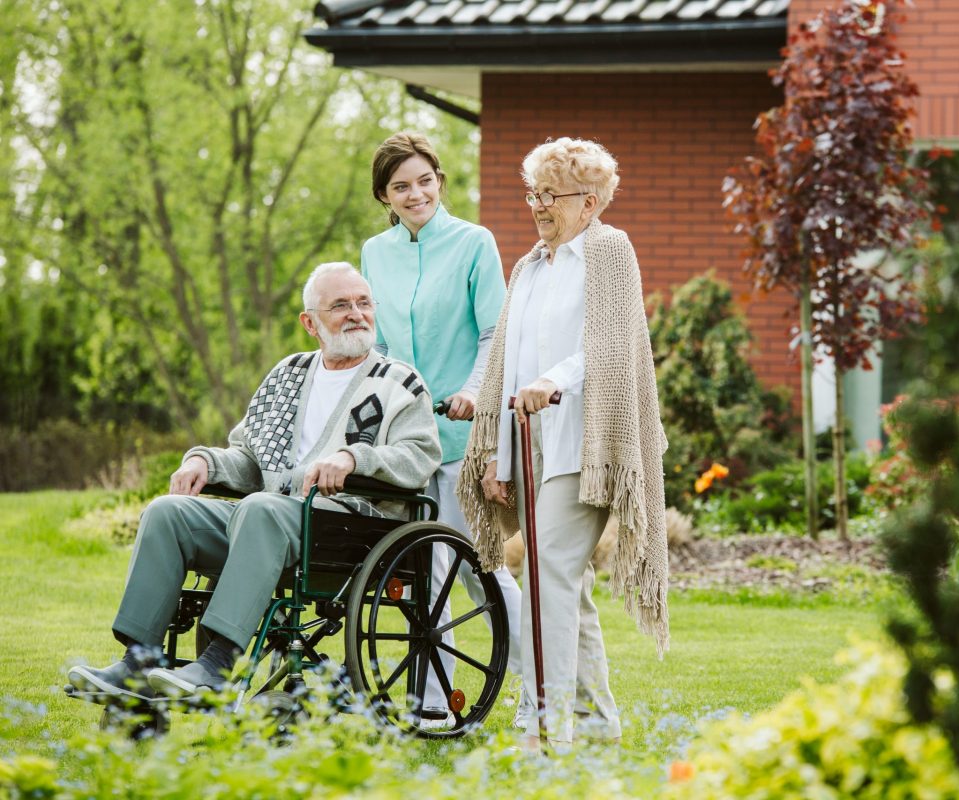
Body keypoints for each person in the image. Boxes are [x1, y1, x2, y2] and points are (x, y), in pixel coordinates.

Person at [67, 262, 441, 700]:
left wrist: (353, 457)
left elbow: (421, 456)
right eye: (340, 305)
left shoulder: (399, 382)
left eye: (363, 303)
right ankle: (139, 662)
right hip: (265, 522)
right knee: (167, 513)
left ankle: (219, 663)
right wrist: (205, 463)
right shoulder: (288, 375)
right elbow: (249, 455)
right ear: (310, 322)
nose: (356, 313)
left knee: (261, 508)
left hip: (348, 528)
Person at [457, 137, 670, 749]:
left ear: (592, 201)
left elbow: (609, 344)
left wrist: (555, 381)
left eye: (552, 195)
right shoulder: (528, 266)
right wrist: (496, 458)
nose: (539, 206)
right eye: (534, 193)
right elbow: (506, 362)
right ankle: (599, 725)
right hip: (529, 445)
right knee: (564, 587)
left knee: (549, 574)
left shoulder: (608, 250)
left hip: (586, 442)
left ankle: (547, 727)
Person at [360, 131, 527, 730]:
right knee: (420, 568)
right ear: (384, 195)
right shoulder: (375, 253)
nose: (416, 194)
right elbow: (378, 346)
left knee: (481, 567)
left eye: (425, 180)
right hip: (407, 442)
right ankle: (433, 702)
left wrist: (475, 393)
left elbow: (494, 335)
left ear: (439, 180)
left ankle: (543, 687)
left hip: (462, 435)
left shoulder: (474, 243)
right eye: (401, 186)